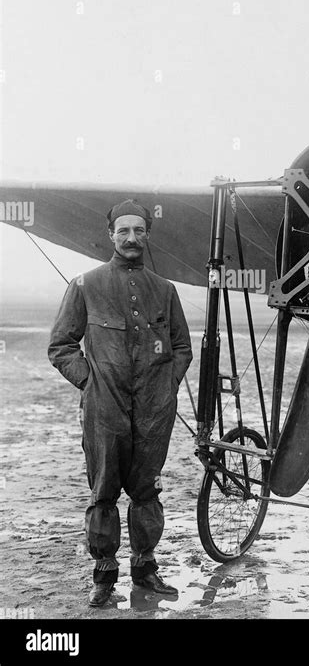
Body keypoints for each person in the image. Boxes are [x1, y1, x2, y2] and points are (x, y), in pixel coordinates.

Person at [48, 199, 193, 607]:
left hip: (153, 411)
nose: (131, 238)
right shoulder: (84, 285)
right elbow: (61, 346)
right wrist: (90, 382)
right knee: (104, 491)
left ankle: (146, 569)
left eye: (139, 231)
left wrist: (165, 385)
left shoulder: (165, 291)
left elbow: (182, 347)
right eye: (123, 231)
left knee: (146, 492)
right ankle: (104, 575)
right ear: (111, 235)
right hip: (104, 411)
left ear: (148, 235)